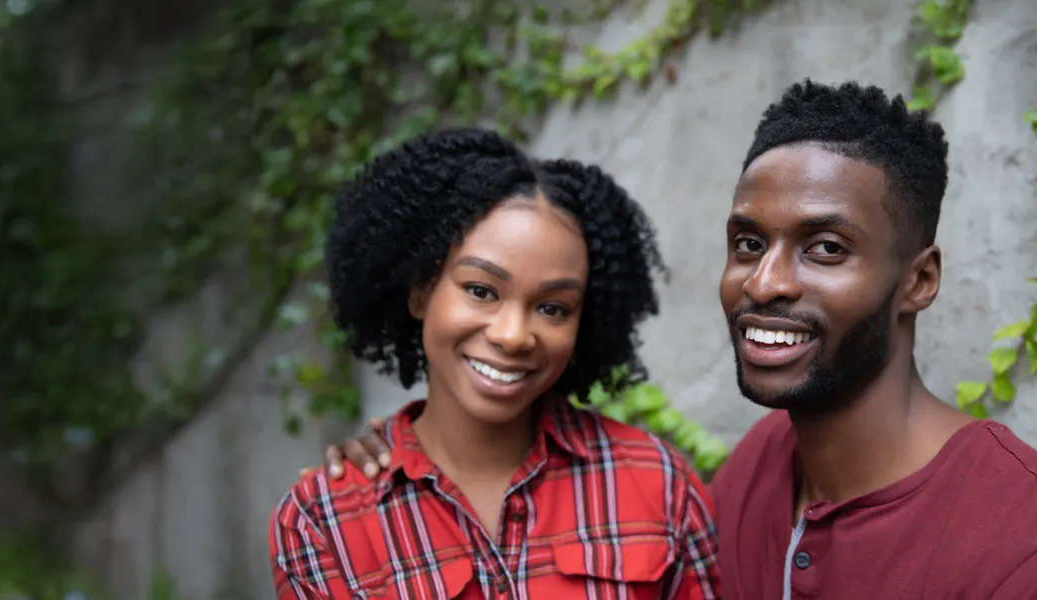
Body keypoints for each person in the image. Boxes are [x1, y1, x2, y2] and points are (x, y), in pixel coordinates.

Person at [314, 80, 1037, 599]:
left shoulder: (1015, 534)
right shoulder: (753, 473)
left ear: (919, 280)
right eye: (749, 242)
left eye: (824, 248)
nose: (764, 282)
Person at [268, 127, 720, 600]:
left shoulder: (658, 484)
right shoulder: (325, 523)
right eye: (481, 290)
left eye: (553, 308)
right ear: (421, 291)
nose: (513, 335)